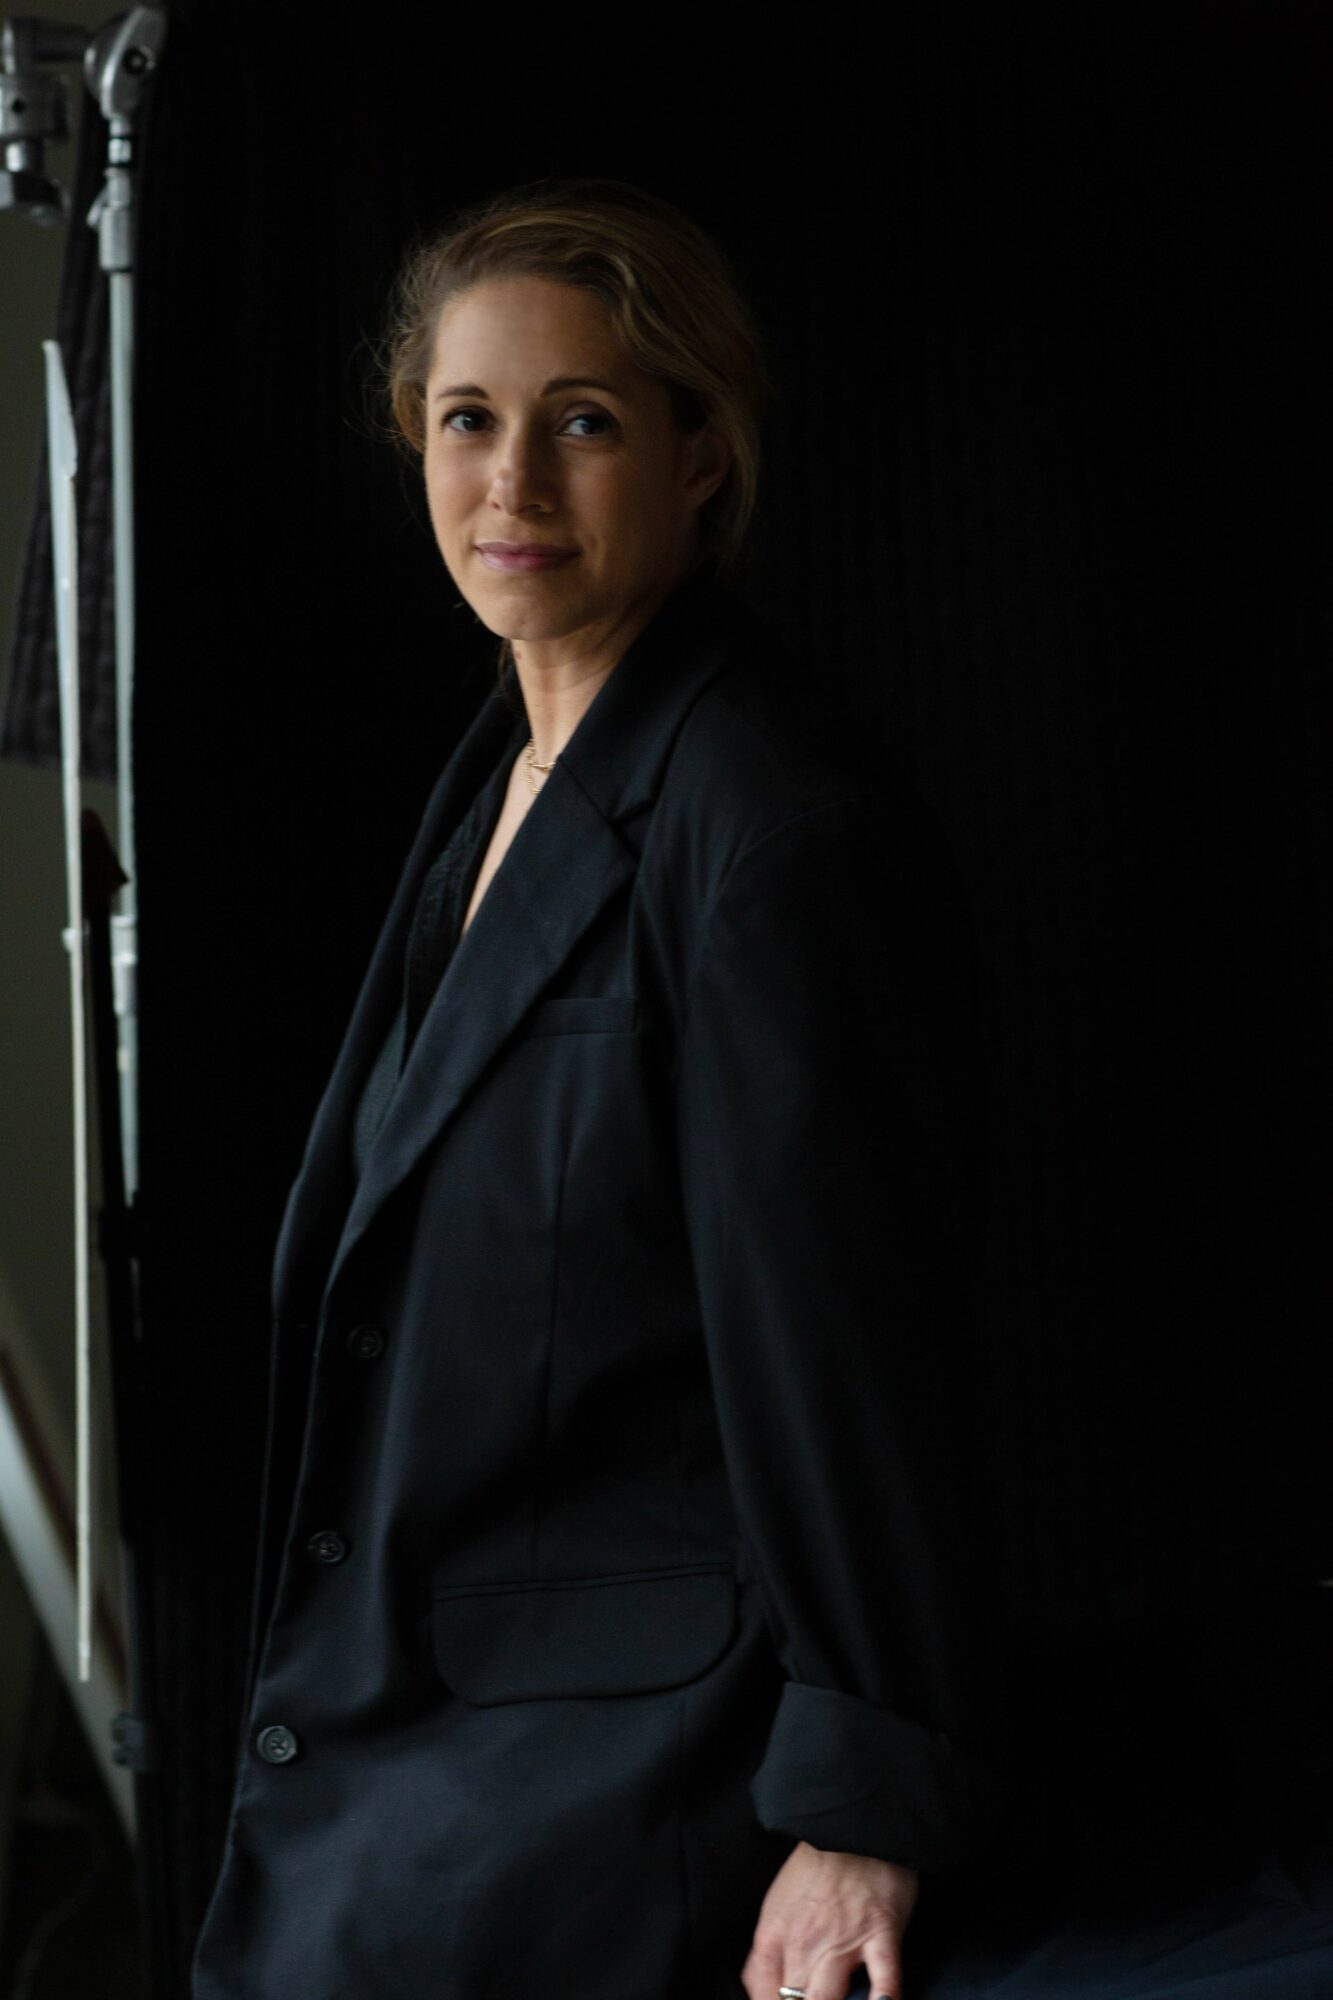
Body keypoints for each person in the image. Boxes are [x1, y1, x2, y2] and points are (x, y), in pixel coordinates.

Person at [190, 174, 1014, 2000]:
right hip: (420, 1719)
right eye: (465, 420)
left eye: (581, 423)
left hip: (624, 1775)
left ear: (701, 456)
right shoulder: (510, 768)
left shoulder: (767, 827)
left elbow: (852, 1347)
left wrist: (862, 1806)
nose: (511, 483)